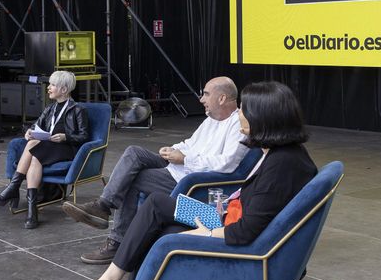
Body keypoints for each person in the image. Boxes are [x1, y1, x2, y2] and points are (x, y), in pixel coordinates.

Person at [60, 81, 340, 280]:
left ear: (263, 117)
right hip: (226, 217)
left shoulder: (283, 165)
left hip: (233, 236)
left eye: (245, 108)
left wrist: (202, 230)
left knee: (158, 230)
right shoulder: (282, 153)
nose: (239, 112)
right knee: (157, 204)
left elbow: (244, 232)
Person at [63, 77, 247, 264]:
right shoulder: (211, 120)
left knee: (131, 179)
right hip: (179, 167)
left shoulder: (237, 124)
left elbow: (227, 163)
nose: (201, 99)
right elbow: (190, 144)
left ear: (222, 98)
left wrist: (185, 158)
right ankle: (103, 206)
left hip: (190, 178)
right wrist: (172, 149)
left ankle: (115, 240)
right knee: (134, 152)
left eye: (206, 94)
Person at [0, 70, 89, 229]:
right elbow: (37, 126)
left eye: (52, 85)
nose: (48, 88)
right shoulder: (50, 108)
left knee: (32, 147)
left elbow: (84, 136)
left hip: (65, 149)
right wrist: (29, 131)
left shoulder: (77, 110)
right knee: (35, 156)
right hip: (47, 148)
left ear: (63, 90)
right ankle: (31, 212)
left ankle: (13, 189)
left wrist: (66, 137)